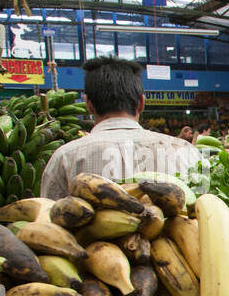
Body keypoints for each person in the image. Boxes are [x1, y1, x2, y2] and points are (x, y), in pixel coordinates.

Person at [40, 57, 202, 200]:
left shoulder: (65, 158)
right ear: (141, 103)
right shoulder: (187, 152)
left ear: (88, 104)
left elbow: (47, 220)